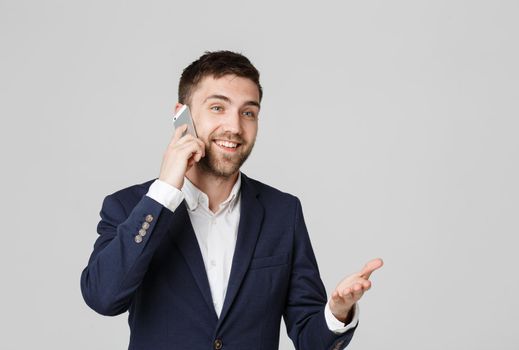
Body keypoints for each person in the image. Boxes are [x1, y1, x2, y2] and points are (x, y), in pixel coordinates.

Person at [80, 50, 383, 350]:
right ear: (181, 116)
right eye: (217, 108)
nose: (235, 127)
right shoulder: (129, 207)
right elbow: (103, 297)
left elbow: (310, 338)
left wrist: (337, 313)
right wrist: (164, 192)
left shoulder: (282, 213)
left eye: (248, 112)